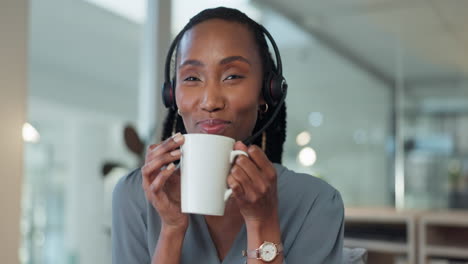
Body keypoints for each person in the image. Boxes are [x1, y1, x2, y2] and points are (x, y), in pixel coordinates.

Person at [112, 7, 344, 264]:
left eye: (232, 76)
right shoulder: (134, 196)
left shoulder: (316, 202)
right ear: (172, 95)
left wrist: (262, 223)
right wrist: (171, 229)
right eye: (191, 78)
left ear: (266, 92)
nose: (210, 101)